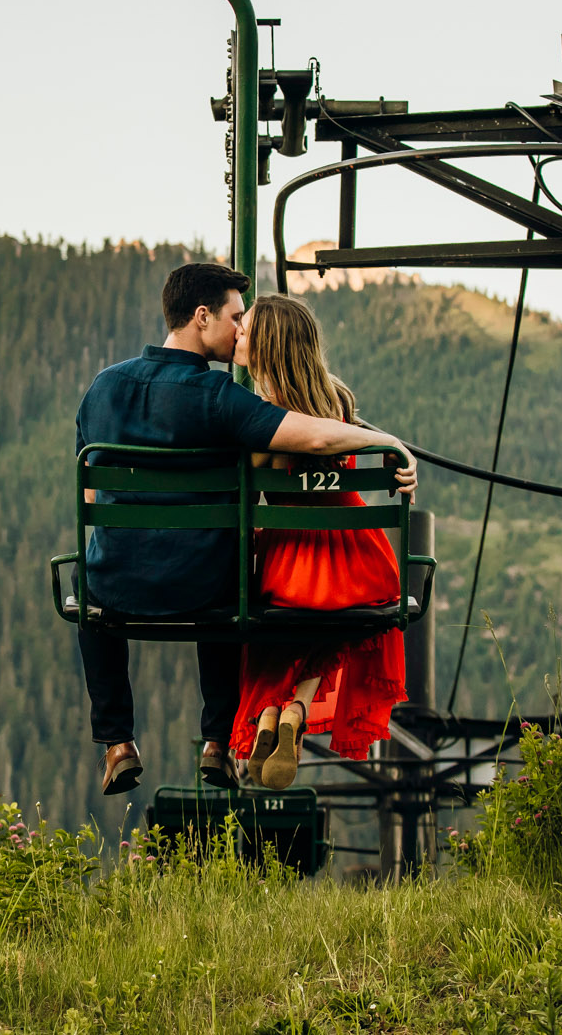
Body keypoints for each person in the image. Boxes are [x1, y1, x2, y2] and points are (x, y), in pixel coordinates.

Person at [74, 263, 415, 797]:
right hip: (208, 592)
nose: (239, 330)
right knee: (229, 567)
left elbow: (91, 493)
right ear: (202, 316)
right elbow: (315, 439)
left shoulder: (101, 388)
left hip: (116, 585)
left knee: (89, 586)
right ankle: (215, 741)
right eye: (236, 317)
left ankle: (117, 741)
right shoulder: (219, 398)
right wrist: (389, 442)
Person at [226, 293, 410, 790]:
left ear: (268, 346)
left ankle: (268, 713)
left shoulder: (259, 417)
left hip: (292, 563)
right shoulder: (338, 401)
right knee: (335, 623)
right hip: (359, 558)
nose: (238, 333)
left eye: (247, 329)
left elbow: (246, 489)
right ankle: (296, 711)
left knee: (273, 615)